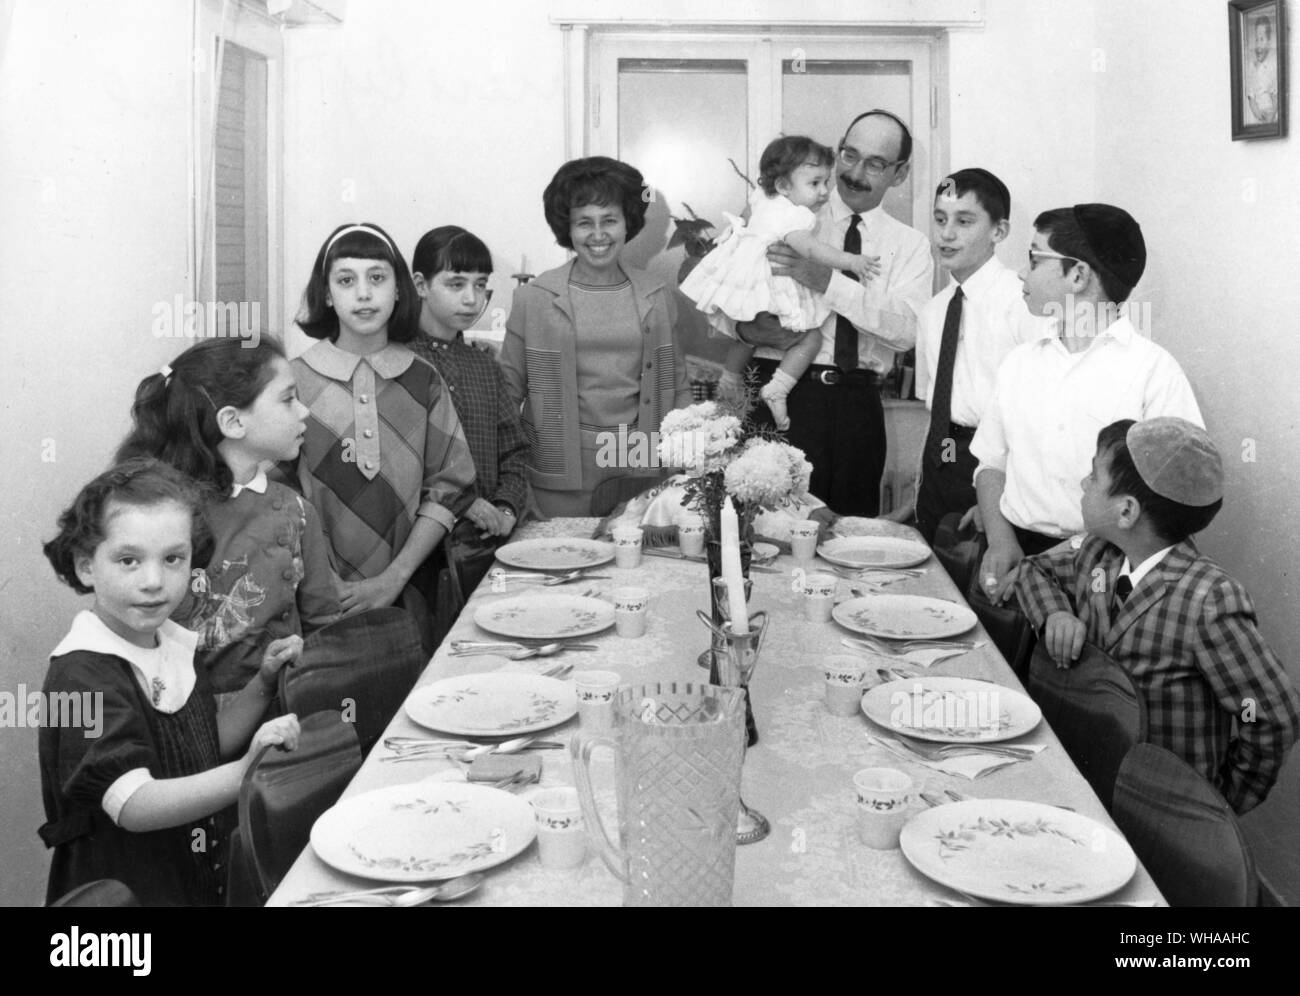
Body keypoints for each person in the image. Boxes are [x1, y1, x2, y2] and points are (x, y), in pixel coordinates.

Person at [39, 459, 302, 906]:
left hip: (191, 879)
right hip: (127, 896)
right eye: (128, 560)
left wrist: (262, 681)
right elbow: (134, 804)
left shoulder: (168, 642)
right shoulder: (78, 678)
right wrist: (243, 774)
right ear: (86, 567)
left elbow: (202, 746)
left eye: (173, 559)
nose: (154, 581)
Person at [1014, 418, 1300, 814]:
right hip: (1094, 785)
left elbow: (1272, 716)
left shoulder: (1209, 600)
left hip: (1161, 809)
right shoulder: (1096, 551)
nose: (1083, 483)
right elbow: (1033, 570)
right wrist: (1055, 614)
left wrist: (1218, 803)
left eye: (1093, 475)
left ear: (1127, 511)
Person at [971, 203, 1204, 604]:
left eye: (1034, 257)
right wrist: (1000, 541)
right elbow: (990, 464)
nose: (1022, 273)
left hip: (1108, 568)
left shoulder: (1154, 372)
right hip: (1015, 552)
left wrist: (1053, 562)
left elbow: (1167, 505)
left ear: (1077, 275)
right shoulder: (1019, 362)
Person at [117, 338, 340, 695]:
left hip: (285, 721)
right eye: (287, 399)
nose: (304, 411)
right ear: (233, 422)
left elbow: (324, 629)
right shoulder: (166, 520)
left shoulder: (298, 512)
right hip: (188, 723)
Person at [746, 109, 934, 517]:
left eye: (876, 163)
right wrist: (750, 330)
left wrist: (826, 280)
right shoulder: (791, 217)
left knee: (849, 536)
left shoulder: (911, 245)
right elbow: (738, 300)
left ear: (899, 174)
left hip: (858, 406)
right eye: (849, 155)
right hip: (782, 392)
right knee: (767, 527)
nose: (855, 173)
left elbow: (905, 332)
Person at [291, 222, 475, 614]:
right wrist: (323, 581)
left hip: (410, 587)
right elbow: (276, 494)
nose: (363, 293)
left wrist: (393, 579)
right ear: (325, 293)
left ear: (398, 290)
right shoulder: (293, 380)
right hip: (313, 595)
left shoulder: (423, 378)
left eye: (377, 277)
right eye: (345, 280)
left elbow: (450, 486)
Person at [501, 157, 692, 517]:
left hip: (640, 464)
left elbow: (677, 386)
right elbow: (507, 394)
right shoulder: (535, 297)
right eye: (584, 223)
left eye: (609, 221)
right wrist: (507, 482)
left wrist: (684, 464)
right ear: (567, 228)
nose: (598, 234)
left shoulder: (657, 294)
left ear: (627, 223)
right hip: (557, 470)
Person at [680, 135, 880, 431]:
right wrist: (851, 261)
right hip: (775, 290)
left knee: (746, 336)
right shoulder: (795, 216)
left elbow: (742, 223)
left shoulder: (762, 198)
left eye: (826, 182)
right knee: (811, 338)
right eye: (815, 184)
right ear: (784, 186)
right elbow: (812, 250)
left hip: (751, 290)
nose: (825, 192)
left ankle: (729, 378)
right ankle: (779, 388)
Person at [913, 168, 1041, 543]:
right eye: (940, 220)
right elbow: (937, 409)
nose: (946, 234)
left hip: (998, 463)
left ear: (999, 232)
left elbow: (1038, 416)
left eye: (964, 221)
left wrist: (1004, 496)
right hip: (945, 455)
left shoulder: (1023, 303)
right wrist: (921, 487)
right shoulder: (934, 311)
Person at [1247, 16, 1278, 125]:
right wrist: (1257, 113)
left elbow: (1276, 99)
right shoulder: (1252, 67)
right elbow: (1250, 97)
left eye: (1261, 39)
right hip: (1256, 118)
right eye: (1256, 39)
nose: (1258, 44)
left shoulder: (1273, 66)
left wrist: (1271, 117)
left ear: (1269, 43)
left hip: (1271, 117)